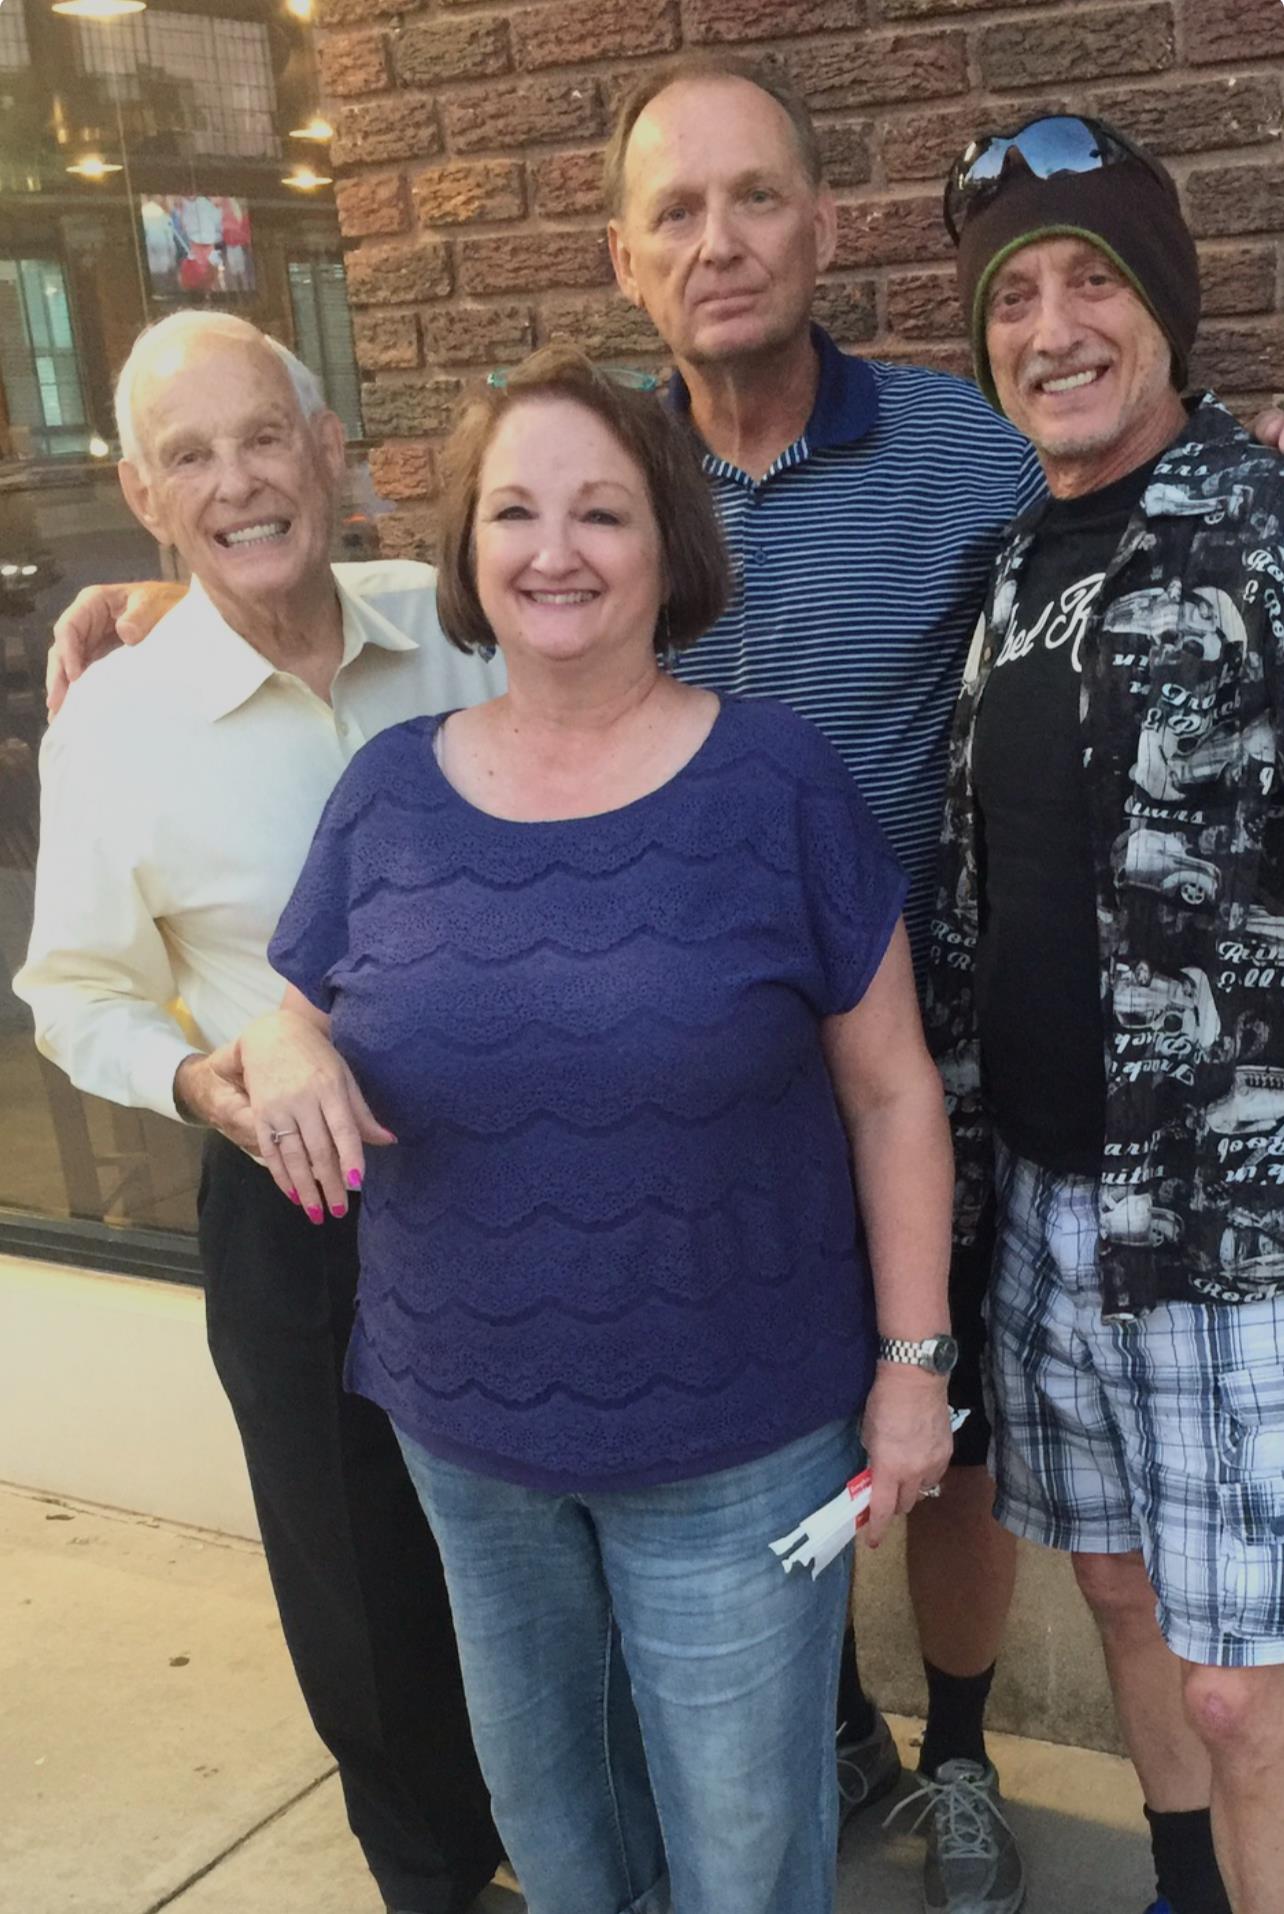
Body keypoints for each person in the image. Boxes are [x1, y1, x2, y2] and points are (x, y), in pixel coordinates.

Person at [232, 342, 956, 1914]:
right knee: (556, 1827)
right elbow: (296, 993)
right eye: (515, 513)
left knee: (743, 1842)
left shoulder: (779, 782)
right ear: (470, 555)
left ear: (666, 548)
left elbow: (894, 1088)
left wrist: (914, 1370)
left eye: (603, 513)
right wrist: (280, 1034)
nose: (554, 550)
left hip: (740, 1440)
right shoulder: (389, 792)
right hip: (466, 1433)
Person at [14, 310, 506, 1914]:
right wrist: (190, 1080)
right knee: (358, 1579)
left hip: (510, 1171)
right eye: (190, 457)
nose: (238, 483)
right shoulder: (119, 722)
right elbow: (73, 987)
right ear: (144, 495)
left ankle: (582, 1838)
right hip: (292, 1191)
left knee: (533, 1544)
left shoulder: (453, 630)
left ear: (332, 449)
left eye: (264, 437)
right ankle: (435, 1880)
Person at [928, 113, 1284, 1914]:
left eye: (1093, 282)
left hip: (1234, 1226)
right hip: (1052, 1208)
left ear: (1166, 308)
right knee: (1125, 1593)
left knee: (1250, 1687)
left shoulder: (1266, 537)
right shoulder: (1008, 572)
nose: (1053, 327)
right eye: (1015, 297)